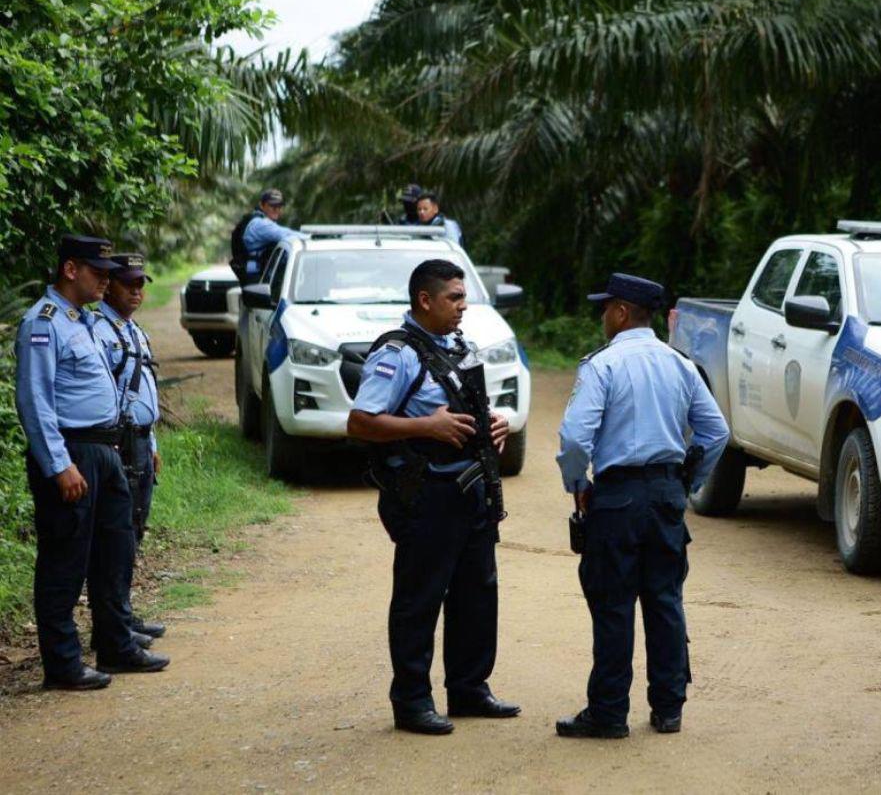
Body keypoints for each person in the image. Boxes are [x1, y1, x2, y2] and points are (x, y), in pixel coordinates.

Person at [555, 272, 730, 738]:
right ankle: (669, 708)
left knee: (613, 604)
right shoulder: (680, 365)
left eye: (604, 308)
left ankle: (610, 714)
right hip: (666, 498)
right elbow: (717, 433)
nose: (601, 317)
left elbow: (575, 438)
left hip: (616, 499)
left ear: (620, 312)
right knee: (665, 600)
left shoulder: (602, 366)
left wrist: (578, 484)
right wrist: (687, 482)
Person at [346, 259, 517, 735]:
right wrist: (427, 426)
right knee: (419, 600)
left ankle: (469, 689)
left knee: (476, 595)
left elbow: (466, 410)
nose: (464, 306)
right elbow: (360, 422)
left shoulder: (460, 346)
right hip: (427, 495)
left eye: (464, 297)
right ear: (425, 300)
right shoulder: (397, 354)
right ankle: (412, 701)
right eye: (455, 298)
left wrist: (494, 426)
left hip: (471, 490)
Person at [15, 235, 169, 691]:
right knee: (65, 559)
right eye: (97, 272)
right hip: (73, 450)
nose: (106, 279)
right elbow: (34, 399)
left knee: (114, 548)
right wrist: (58, 464)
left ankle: (115, 643)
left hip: (105, 450)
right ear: (69, 269)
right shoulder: (43, 324)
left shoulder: (80, 321)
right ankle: (62, 664)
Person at [93, 253, 167, 641]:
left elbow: (143, 389)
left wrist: (151, 442)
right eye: (129, 284)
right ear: (110, 286)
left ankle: (122, 615)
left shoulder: (135, 330)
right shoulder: (98, 330)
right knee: (115, 535)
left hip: (140, 441)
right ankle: (111, 622)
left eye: (141, 284)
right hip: (116, 443)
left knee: (133, 530)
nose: (136, 292)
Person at [230, 188, 304, 284]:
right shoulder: (259, 225)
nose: (276, 210)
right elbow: (285, 234)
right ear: (262, 205)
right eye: (272, 206)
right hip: (254, 281)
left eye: (279, 206)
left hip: (256, 278)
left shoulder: (260, 221)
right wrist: (314, 237)